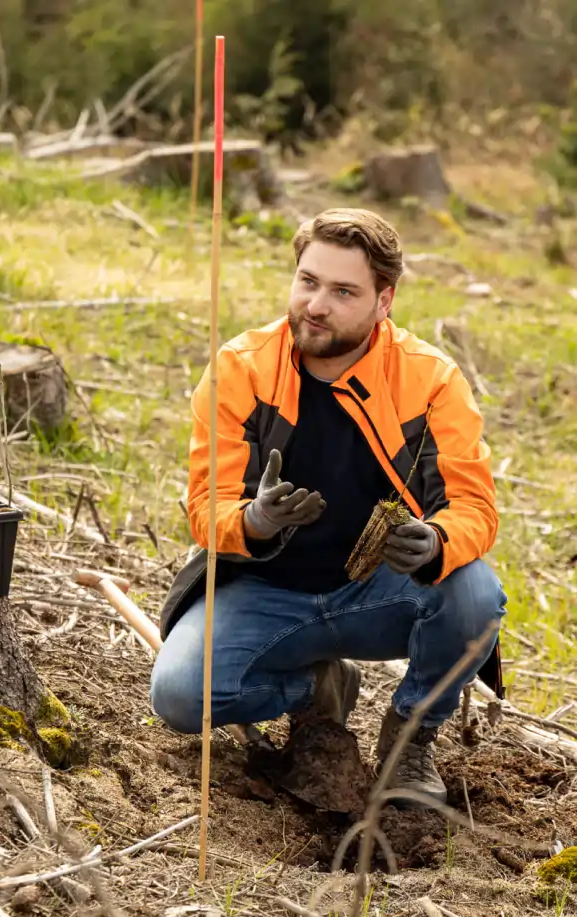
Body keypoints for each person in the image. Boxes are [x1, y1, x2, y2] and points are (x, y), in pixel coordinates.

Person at [151, 208, 507, 806]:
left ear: (383, 301)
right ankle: (317, 686)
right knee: (181, 695)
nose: (317, 305)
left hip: (378, 592)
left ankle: (410, 740)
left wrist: (438, 541)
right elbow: (205, 506)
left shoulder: (431, 380)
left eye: (344, 291)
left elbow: (475, 506)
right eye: (308, 281)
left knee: (474, 594)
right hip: (262, 591)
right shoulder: (242, 368)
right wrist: (255, 520)